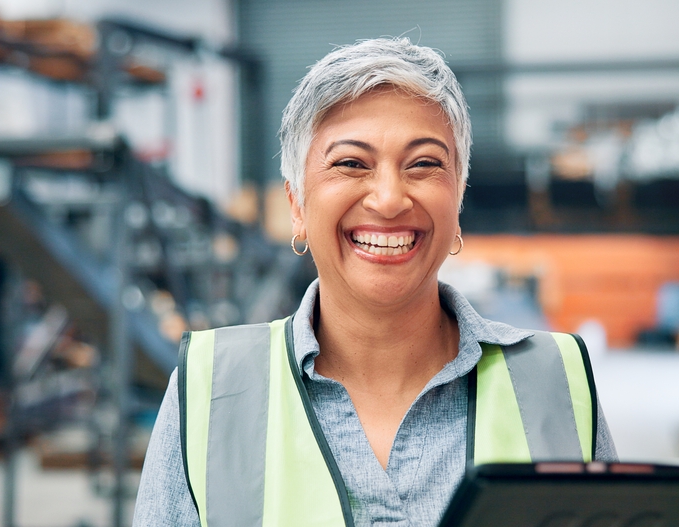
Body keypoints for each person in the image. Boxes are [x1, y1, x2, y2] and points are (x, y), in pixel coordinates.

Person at [133, 37, 616, 527]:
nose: (388, 199)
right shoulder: (211, 391)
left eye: (424, 164)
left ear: (458, 200)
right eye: (350, 164)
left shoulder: (557, 382)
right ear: (297, 205)